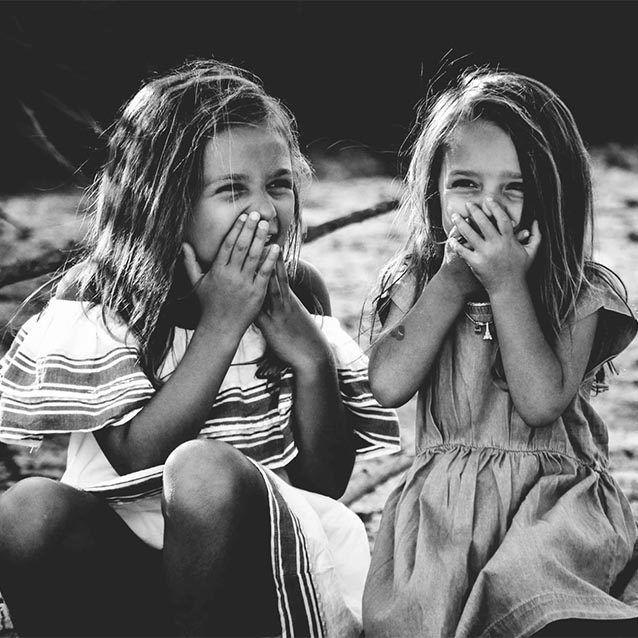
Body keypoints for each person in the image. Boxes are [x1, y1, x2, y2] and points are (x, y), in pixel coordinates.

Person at [0, 59, 400, 637]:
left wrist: (312, 358)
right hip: (123, 562)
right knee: (24, 508)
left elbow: (322, 485)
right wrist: (221, 325)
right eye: (232, 189)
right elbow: (137, 459)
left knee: (205, 470)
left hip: (253, 566)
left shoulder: (297, 293)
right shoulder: (104, 296)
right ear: (167, 201)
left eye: (279, 185)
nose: (263, 210)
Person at [362, 68, 638, 637]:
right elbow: (388, 383)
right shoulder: (417, 281)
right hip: (445, 516)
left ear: (552, 194)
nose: (489, 207)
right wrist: (450, 286)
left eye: (514, 188)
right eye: (466, 184)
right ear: (434, 189)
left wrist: (509, 286)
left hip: (550, 510)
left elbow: (541, 403)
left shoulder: (575, 290)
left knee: (530, 587)